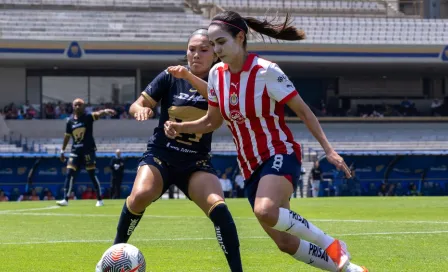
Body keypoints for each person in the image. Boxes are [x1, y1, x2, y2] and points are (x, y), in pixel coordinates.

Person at [164, 11, 368, 272]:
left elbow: (304, 111)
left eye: (221, 42)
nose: (216, 49)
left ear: (240, 37)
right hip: (249, 166)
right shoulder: (216, 74)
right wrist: (181, 127)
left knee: (265, 210)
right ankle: (352, 270)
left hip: (278, 152)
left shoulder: (266, 71)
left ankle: (331, 243)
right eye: (213, 44)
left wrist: (328, 150)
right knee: (284, 241)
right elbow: (211, 122)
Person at [109, 29, 243, 272]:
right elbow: (136, 104)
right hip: (162, 155)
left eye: (204, 49)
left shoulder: (222, 80)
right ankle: (112, 257)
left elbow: (220, 107)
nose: (196, 54)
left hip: (196, 162)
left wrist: (189, 77)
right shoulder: (170, 76)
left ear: (215, 53)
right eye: (192, 49)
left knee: (219, 207)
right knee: (139, 197)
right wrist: (141, 109)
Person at [56, 98, 116, 207]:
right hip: (75, 151)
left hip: (88, 151)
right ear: (73, 106)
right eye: (76, 105)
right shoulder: (69, 121)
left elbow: (97, 114)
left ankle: (99, 199)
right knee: (69, 173)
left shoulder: (88, 117)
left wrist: (106, 111)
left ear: (83, 107)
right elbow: (67, 136)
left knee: (91, 174)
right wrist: (62, 150)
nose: (78, 106)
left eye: (80, 105)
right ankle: (65, 199)